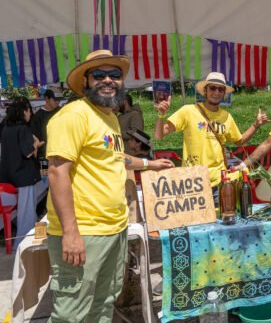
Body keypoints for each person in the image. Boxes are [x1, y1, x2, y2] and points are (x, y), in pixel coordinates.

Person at [45, 50, 174, 322]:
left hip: (114, 229)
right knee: (71, 314)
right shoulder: (73, 116)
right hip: (85, 231)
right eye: (99, 75)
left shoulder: (109, 117)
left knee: (103, 304)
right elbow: (57, 173)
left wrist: (149, 164)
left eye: (114, 75)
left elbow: (116, 157)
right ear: (85, 82)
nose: (107, 80)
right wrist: (70, 233)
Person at [154, 71, 268, 196]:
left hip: (218, 182)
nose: (216, 92)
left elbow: (239, 141)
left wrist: (256, 125)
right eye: (212, 88)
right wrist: (161, 115)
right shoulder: (188, 111)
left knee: (218, 215)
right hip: (193, 180)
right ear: (205, 90)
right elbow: (159, 135)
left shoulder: (226, 117)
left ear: (224, 93)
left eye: (220, 89)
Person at [0, 97, 44, 248]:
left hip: (7, 177)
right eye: (29, 111)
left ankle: (21, 241)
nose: (30, 114)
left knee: (18, 212)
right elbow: (28, 153)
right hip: (24, 176)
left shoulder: (6, 128)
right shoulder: (23, 129)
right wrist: (36, 144)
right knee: (27, 212)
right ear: (24, 111)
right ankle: (25, 244)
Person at [30, 89, 61, 159]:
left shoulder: (62, 112)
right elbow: (35, 138)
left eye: (59, 100)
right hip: (45, 154)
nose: (57, 102)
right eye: (55, 100)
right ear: (47, 99)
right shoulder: (38, 116)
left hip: (61, 152)